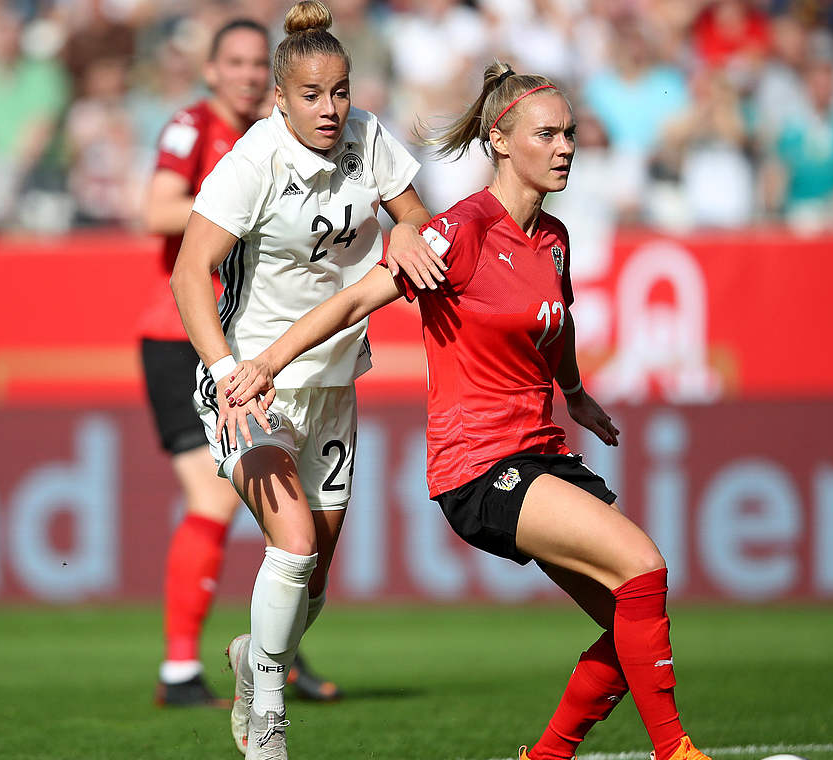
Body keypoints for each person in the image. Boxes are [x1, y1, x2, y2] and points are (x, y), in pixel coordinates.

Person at [222, 62, 712, 760]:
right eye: (549, 133)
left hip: (542, 451)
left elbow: (558, 323)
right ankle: (678, 753)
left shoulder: (555, 239)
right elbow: (358, 299)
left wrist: (573, 392)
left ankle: (545, 758)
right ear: (502, 140)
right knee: (644, 567)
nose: (567, 145)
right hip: (480, 467)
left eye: (570, 132)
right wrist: (267, 362)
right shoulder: (463, 230)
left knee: (632, 623)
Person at [168, 2, 446, 757]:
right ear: (280, 99)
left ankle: (250, 656)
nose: (331, 109)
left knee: (313, 580)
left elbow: (415, 212)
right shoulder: (251, 163)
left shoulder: (366, 138)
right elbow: (190, 273)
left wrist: (413, 233)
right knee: (291, 546)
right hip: (249, 385)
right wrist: (226, 372)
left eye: (341, 91)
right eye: (313, 95)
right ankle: (266, 720)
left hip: (331, 383)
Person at [139, 18, 344, 707]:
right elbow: (156, 206)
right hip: (185, 340)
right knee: (216, 497)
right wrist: (237, 204)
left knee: (283, 518)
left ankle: (277, 653)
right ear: (211, 71)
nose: (251, 75)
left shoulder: (283, 139)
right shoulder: (194, 128)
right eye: (237, 62)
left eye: (261, 64)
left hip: (250, 346)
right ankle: (180, 671)